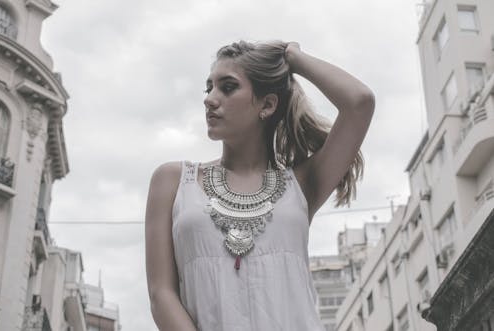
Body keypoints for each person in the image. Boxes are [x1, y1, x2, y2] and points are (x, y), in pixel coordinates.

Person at [145, 40, 375, 331]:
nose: (210, 98)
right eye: (209, 87)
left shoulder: (301, 184)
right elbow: (161, 293)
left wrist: (294, 57)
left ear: (267, 105)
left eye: (227, 87)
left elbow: (360, 102)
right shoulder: (173, 181)